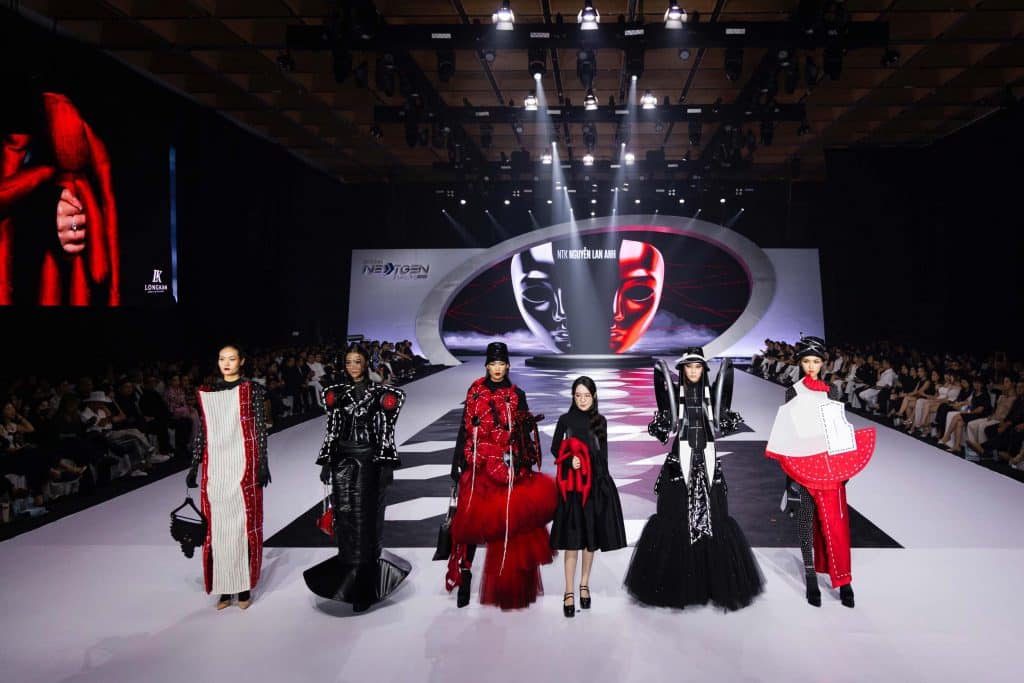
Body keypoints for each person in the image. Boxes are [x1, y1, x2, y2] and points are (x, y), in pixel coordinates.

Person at [624, 347, 763, 611]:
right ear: (682, 369)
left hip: (708, 463)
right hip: (680, 464)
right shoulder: (674, 397)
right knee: (676, 516)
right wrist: (662, 423)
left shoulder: (712, 396)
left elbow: (724, 423)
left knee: (715, 516)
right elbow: (663, 429)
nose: (693, 371)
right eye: (689, 366)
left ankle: (710, 584)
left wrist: (726, 419)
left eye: (698, 366)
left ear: (704, 370)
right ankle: (679, 584)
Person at [445, 341, 557, 610]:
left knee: (506, 525)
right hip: (477, 466)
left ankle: (506, 582)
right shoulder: (475, 390)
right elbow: (464, 427)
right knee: (470, 525)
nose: (497, 368)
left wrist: (525, 465)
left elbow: (525, 434)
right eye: (492, 364)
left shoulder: (517, 394)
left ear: (508, 366)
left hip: (507, 467)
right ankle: (465, 577)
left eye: (501, 364)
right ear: (487, 366)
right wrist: (457, 460)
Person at [765, 336, 875, 608]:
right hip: (802, 463)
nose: (811, 366)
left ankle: (844, 580)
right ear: (800, 363)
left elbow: (838, 427)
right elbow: (788, 433)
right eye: (806, 361)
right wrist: (789, 480)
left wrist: (844, 468)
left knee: (836, 524)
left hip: (829, 464)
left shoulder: (831, 390)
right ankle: (811, 576)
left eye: (816, 361)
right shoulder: (793, 391)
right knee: (805, 521)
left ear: (823, 363)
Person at [303, 343, 409, 613]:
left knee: (366, 518)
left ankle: (364, 580)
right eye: (349, 362)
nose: (353, 366)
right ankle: (348, 571)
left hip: (369, 460)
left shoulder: (382, 394)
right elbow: (332, 429)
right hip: (342, 459)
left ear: (366, 363)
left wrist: (387, 464)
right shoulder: (335, 393)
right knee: (345, 516)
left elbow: (386, 431)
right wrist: (327, 461)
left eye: (357, 361)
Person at [186, 344, 270, 610]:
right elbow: (204, 430)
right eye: (222, 358)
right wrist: (194, 465)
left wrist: (263, 463)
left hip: (243, 465)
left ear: (241, 361)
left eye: (232, 358)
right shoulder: (209, 392)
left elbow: (260, 428)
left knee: (241, 526)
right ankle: (223, 588)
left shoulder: (251, 390)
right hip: (217, 468)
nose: (226, 363)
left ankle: (243, 588)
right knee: (218, 528)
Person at [549, 376, 627, 617]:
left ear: (594, 396)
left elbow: (603, 454)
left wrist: (604, 484)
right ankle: (568, 591)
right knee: (572, 540)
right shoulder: (565, 420)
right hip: (573, 487)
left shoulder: (600, 421)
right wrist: (569, 458)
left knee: (589, 540)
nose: (582, 400)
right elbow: (554, 448)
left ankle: (584, 584)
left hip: (593, 485)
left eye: (586, 395)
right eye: (578, 395)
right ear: (573, 397)